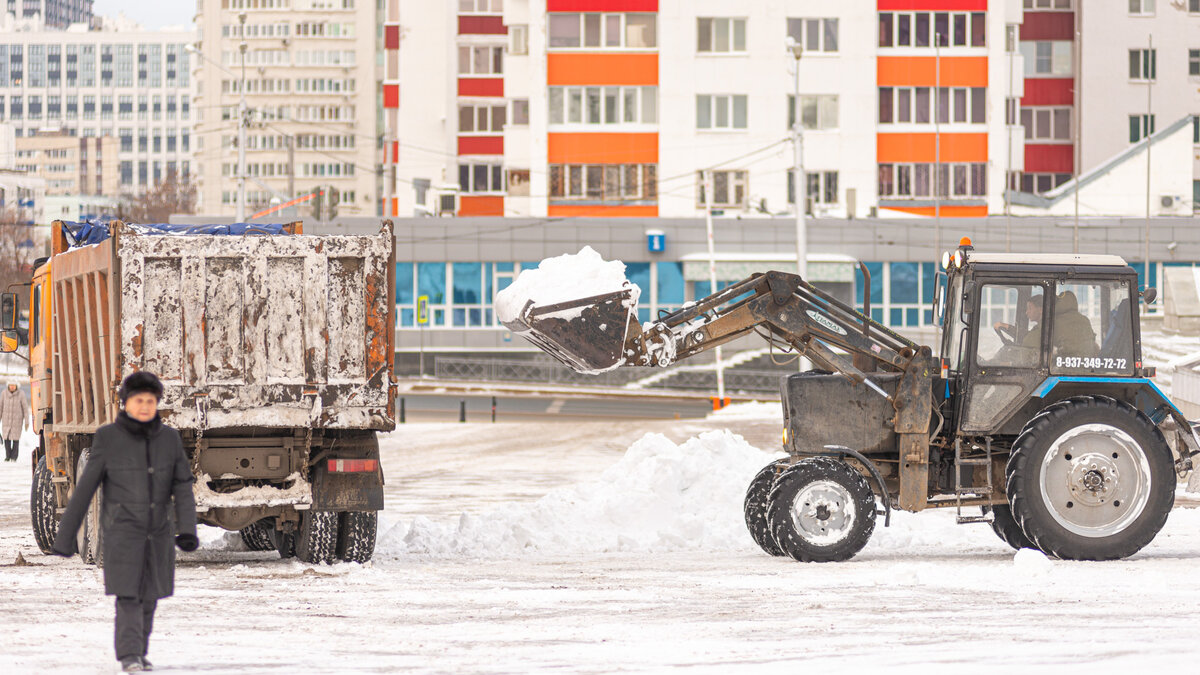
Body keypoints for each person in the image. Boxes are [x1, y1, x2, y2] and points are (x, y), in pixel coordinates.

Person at [51, 371, 198, 673]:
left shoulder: (169, 439)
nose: (144, 406)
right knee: (128, 595)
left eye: (149, 401)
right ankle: (129, 655)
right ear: (126, 403)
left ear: (156, 403)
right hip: (123, 533)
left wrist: (186, 529)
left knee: (150, 597)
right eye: (138, 400)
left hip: (158, 533)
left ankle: (139, 652)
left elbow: (182, 486)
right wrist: (66, 537)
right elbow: (85, 489)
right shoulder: (108, 438)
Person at [0, 380, 29, 462]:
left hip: (17, 421)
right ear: (8, 386)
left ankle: (14, 457)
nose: (12, 387)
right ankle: (8, 456)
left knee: (15, 439)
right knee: (6, 439)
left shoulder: (21, 394)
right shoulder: (4, 393)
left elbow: (25, 408)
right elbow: (0, 407)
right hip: (6, 420)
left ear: (17, 386)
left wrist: (27, 421)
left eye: (14, 385)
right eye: (10, 385)